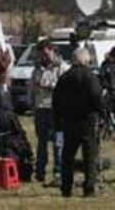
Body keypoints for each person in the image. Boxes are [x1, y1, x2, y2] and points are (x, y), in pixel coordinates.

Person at [52, 46, 103, 198]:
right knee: (89, 156)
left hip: (69, 121)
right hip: (87, 121)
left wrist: (58, 121)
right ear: (85, 59)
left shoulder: (64, 77)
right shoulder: (91, 77)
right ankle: (89, 188)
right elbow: (97, 97)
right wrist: (99, 112)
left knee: (67, 156)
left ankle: (66, 188)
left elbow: (56, 101)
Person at [29, 39, 67, 183]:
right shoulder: (36, 70)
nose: (43, 57)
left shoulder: (62, 68)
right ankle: (40, 171)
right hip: (40, 109)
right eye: (41, 54)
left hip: (56, 109)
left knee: (58, 141)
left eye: (46, 53)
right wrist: (31, 104)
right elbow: (31, 89)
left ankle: (58, 171)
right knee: (41, 142)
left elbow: (66, 88)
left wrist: (52, 86)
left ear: (52, 51)